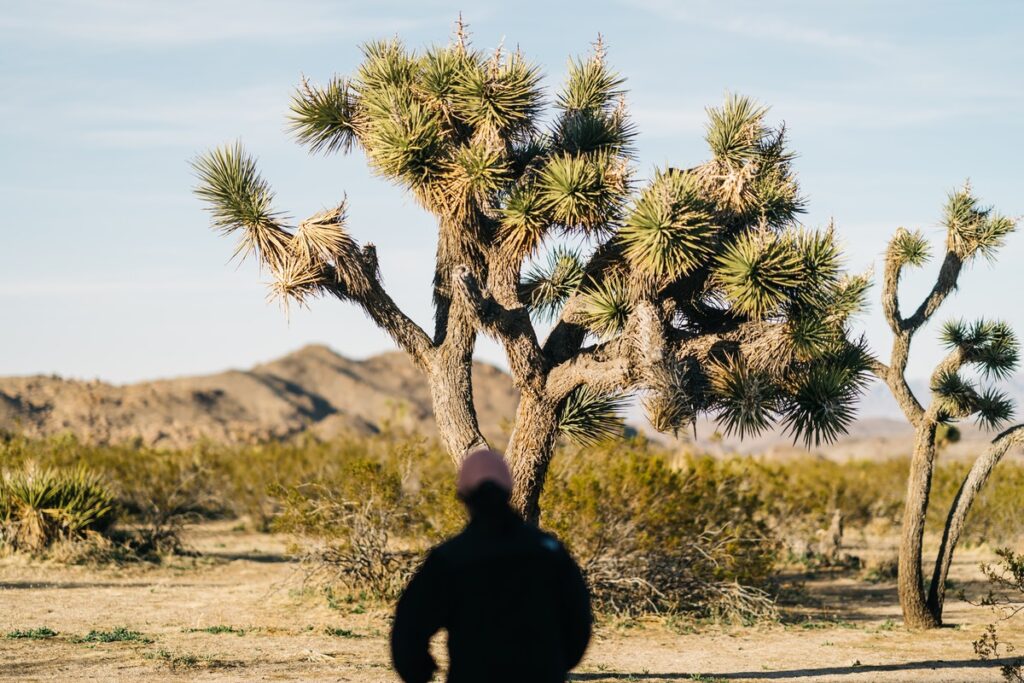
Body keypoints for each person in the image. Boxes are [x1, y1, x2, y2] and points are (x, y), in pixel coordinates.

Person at [390, 448, 592, 683]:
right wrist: (555, 664)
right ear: (508, 490)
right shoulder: (550, 552)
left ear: (463, 495)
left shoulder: (450, 558)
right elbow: (578, 619)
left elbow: (409, 628)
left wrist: (420, 671)